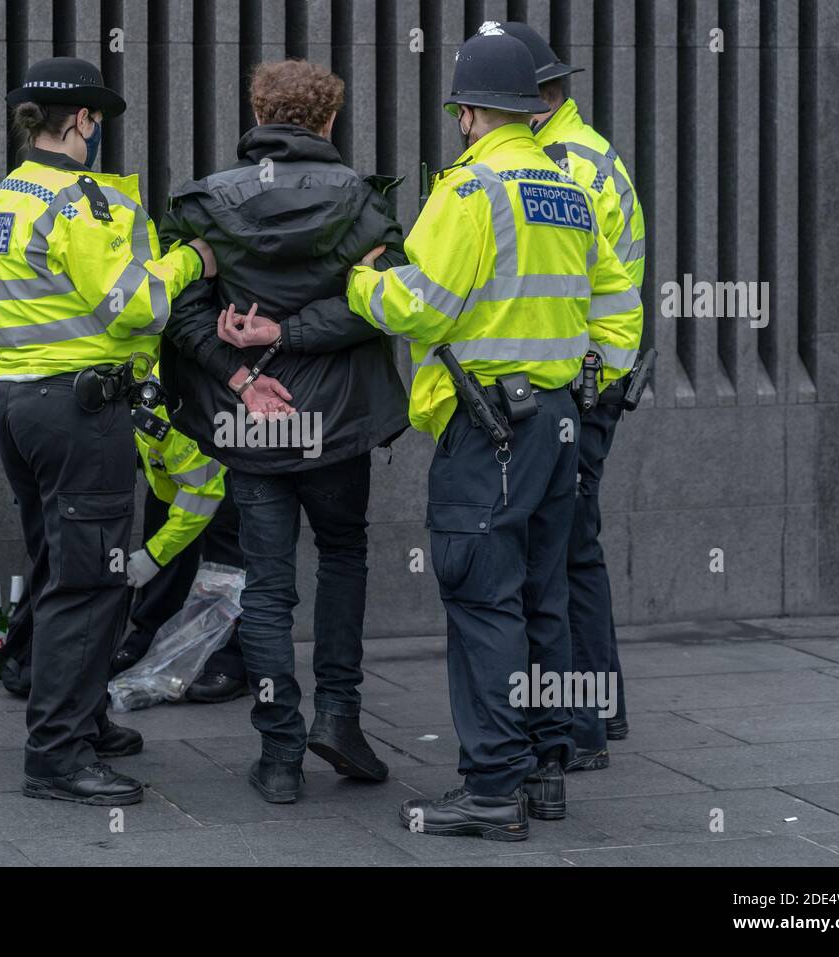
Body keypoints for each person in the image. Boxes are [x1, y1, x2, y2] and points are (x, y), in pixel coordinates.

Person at [345, 29, 642, 839]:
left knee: (482, 599)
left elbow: (425, 304)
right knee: (545, 597)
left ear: (470, 111)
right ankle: (546, 772)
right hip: (557, 423)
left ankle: (490, 786)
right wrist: (593, 385)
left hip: (489, 431)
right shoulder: (569, 189)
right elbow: (618, 300)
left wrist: (363, 283)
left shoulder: (470, 190)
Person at [159, 59, 409, 804]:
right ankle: (340, 714)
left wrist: (239, 372)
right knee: (342, 557)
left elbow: (181, 311)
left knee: (266, 587)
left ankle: (278, 751)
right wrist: (295, 328)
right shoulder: (361, 202)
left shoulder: (208, 201)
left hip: (253, 420)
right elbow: (381, 303)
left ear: (259, 111)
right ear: (328, 120)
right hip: (337, 423)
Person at [0, 56, 216, 806]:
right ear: (82, 121)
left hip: (20, 403)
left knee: (58, 568)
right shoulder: (78, 200)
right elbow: (134, 308)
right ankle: (57, 754)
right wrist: (188, 260)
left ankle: (85, 717)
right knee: (89, 584)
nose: (98, 133)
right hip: (83, 412)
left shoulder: (4, 197)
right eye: (97, 122)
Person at [501, 20, 646, 762]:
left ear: (535, 99)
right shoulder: (588, 152)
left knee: (558, 556)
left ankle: (579, 727)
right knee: (576, 549)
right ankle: (601, 707)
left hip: (578, 385)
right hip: (596, 379)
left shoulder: (561, 164)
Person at [112, 379, 249, 704]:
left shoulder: (177, 420)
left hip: (231, 429)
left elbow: (203, 495)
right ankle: (149, 635)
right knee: (163, 520)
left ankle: (233, 658)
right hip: (171, 444)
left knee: (229, 552)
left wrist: (152, 557)